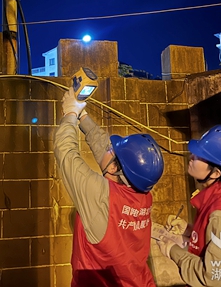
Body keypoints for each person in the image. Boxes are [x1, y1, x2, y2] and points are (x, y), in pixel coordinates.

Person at [54, 86, 165, 287]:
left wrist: (70, 113)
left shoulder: (100, 195)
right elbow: (105, 151)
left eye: (113, 151)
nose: (109, 148)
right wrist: (82, 116)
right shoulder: (143, 192)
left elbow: (66, 153)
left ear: (114, 168)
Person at [156, 125, 221, 287]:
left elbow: (214, 277)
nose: (191, 157)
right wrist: (190, 231)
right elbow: (215, 237)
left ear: (216, 173)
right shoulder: (219, 197)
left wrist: (173, 251)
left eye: (199, 157)